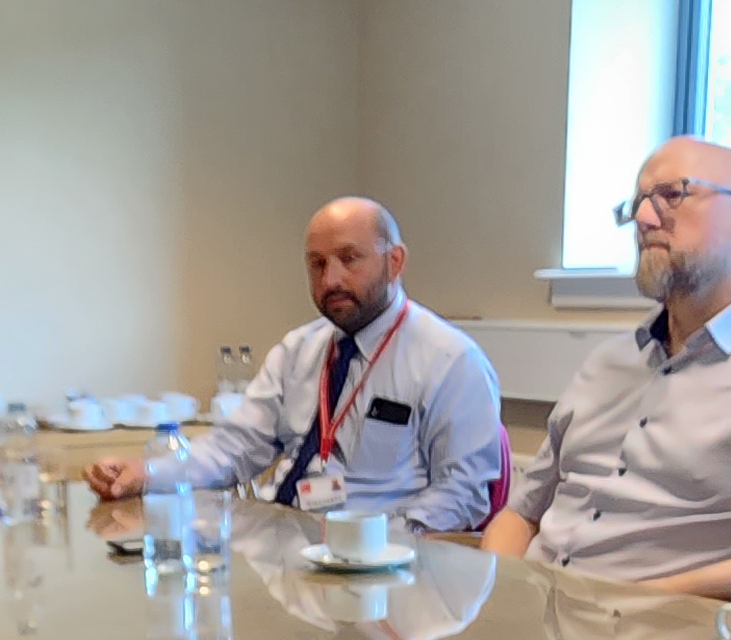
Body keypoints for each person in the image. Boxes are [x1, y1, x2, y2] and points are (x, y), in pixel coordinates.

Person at [483, 138, 731, 597]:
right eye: (638, 202)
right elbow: (521, 516)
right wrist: (491, 595)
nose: (644, 218)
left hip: (659, 631)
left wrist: (616, 606)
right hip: (533, 614)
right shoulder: (607, 363)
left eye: (671, 195)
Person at [83, 196, 504, 528]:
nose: (330, 280)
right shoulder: (298, 350)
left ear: (394, 262)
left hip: (383, 570)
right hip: (285, 546)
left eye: (349, 258)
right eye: (317, 264)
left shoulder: (450, 361)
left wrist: (378, 541)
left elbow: (464, 493)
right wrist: (146, 474)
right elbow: (234, 449)